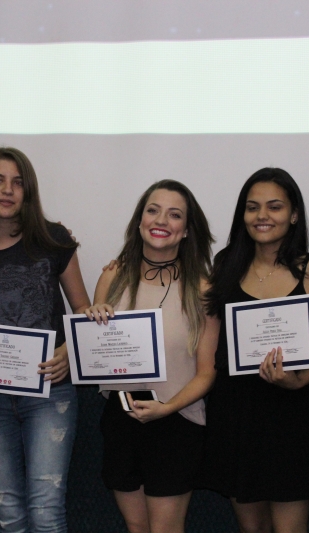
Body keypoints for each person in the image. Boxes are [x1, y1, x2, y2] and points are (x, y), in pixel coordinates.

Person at [0, 147, 91, 533]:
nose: (7, 190)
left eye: (18, 182)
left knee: (46, 510)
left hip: (50, 390)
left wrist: (67, 351)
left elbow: (84, 312)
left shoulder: (54, 239)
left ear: (29, 191)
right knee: (8, 511)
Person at [200, 168, 309, 533]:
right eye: (252, 207)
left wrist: (298, 381)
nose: (262, 216)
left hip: (290, 413)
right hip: (234, 412)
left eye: (274, 206)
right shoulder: (226, 265)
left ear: (293, 214)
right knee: (253, 529)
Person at [84, 180, 220, 533]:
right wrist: (92, 322)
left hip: (177, 421)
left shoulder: (203, 288)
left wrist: (166, 408)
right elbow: (98, 356)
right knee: (137, 527)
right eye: (153, 210)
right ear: (140, 220)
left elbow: (207, 373)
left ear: (186, 230)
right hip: (121, 417)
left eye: (174, 215)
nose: (161, 220)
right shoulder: (112, 277)